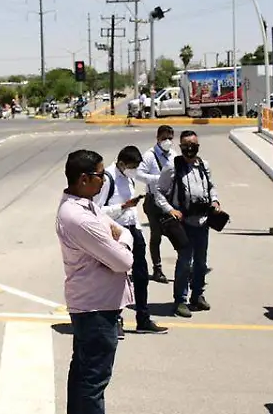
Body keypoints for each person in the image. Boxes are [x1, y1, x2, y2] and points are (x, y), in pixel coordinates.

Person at [57, 149, 134, 414]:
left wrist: (119, 238)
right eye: (100, 175)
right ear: (83, 179)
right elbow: (124, 261)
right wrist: (122, 242)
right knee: (93, 382)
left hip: (97, 306)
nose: (104, 180)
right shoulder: (79, 218)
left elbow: (121, 231)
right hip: (96, 310)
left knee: (83, 376)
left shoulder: (88, 206)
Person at [96, 146, 168, 335]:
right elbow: (96, 210)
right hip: (116, 233)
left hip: (132, 230)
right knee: (117, 279)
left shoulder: (128, 177)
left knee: (141, 277)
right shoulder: (107, 179)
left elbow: (148, 180)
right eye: (132, 166)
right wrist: (122, 206)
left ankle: (143, 319)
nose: (135, 170)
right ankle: (115, 320)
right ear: (121, 163)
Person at [156, 130, 224, 318]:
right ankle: (180, 300)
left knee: (201, 262)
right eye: (186, 145)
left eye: (193, 145)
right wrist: (170, 209)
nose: (190, 148)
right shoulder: (172, 166)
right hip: (183, 222)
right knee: (185, 262)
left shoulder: (203, 165)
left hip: (202, 221)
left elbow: (211, 187)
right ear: (180, 146)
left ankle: (197, 294)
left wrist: (215, 201)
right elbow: (159, 192)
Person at [137, 124, 175, 283]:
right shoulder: (149, 156)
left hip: (170, 199)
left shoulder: (173, 153)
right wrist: (157, 179)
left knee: (178, 233)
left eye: (170, 138)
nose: (167, 141)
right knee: (156, 235)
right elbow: (138, 174)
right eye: (164, 138)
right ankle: (157, 269)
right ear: (158, 138)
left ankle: (187, 266)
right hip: (153, 200)